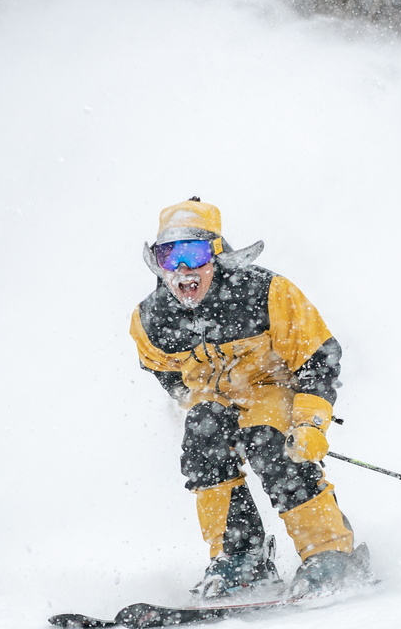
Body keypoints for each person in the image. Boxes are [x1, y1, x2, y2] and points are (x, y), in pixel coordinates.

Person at [130, 197, 371, 600]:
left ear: (217, 254)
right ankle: (242, 559)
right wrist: (200, 408)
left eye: (194, 252)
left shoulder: (265, 294)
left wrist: (310, 423)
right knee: (202, 439)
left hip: (271, 389)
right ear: (157, 264)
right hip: (214, 398)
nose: (184, 270)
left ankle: (329, 552)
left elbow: (318, 357)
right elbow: (164, 371)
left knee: (269, 442)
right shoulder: (151, 320)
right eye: (170, 256)